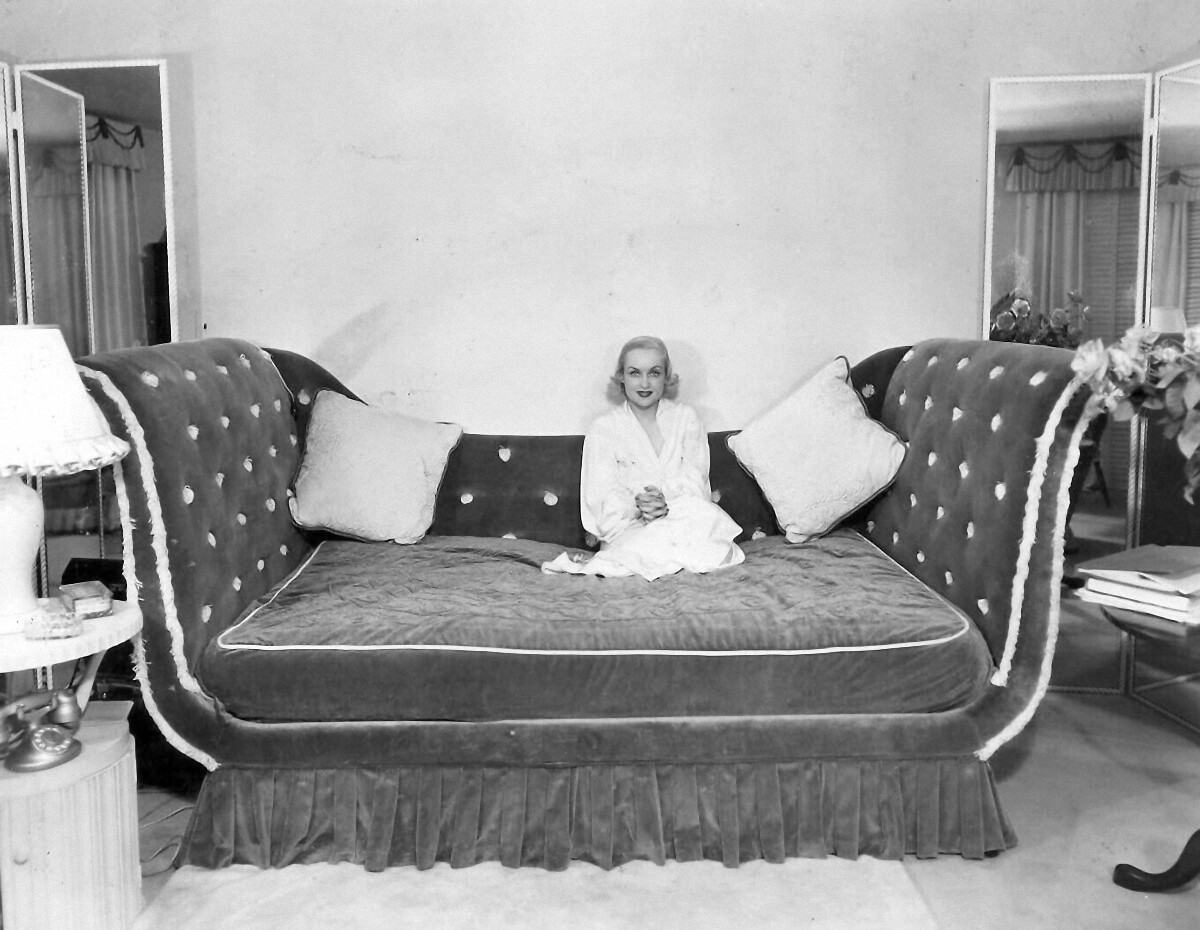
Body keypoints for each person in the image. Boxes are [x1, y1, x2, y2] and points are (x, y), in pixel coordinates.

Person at [542, 336, 745, 580]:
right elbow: (600, 500)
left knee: (709, 531)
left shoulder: (686, 419)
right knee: (652, 548)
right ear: (622, 377)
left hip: (682, 522)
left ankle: (671, 558)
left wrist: (664, 502)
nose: (645, 383)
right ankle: (663, 559)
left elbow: (697, 484)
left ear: (666, 376)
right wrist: (640, 506)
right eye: (635, 373)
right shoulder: (603, 428)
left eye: (654, 373)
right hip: (629, 531)